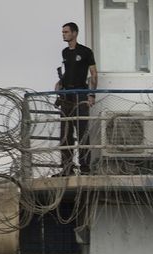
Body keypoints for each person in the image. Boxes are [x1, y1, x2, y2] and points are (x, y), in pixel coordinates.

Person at [55, 22, 98, 175]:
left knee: (82, 131)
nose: (63, 34)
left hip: (80, 94)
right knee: (65, 133)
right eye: (63, 32)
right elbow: (68, 71)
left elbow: (93, 74)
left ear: (74, 33)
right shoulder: (65, 52)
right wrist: (59, 83)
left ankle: (85, 167)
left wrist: (91, 94)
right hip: (67, 95)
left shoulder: (86, 52)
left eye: (66, 32)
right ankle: (67, 168)